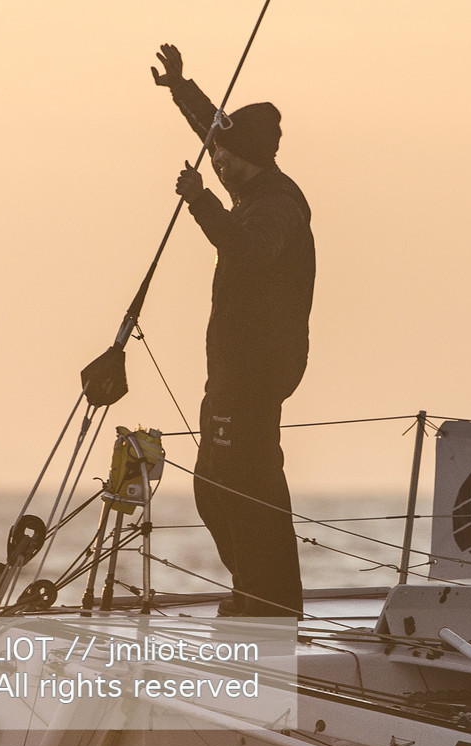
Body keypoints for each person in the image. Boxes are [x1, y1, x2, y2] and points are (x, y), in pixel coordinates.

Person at [153, 43, 315, 617]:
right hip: (230, 371)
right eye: (216, 158)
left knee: (241, 483)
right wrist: (180, 86)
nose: (217, 165)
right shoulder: (246, 185)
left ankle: (266, 600)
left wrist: (199, 202)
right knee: (217, 485)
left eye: (227, 161)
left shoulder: (275, 206)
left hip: (256, 372)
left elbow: (247, 250)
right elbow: (213, 130)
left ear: (254, 161)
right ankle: (260, 590)